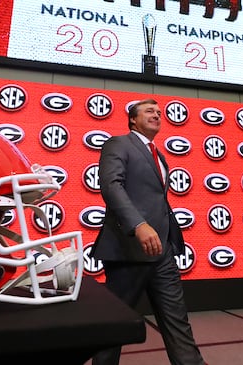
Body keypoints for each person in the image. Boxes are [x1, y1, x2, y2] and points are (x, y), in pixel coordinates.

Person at [91, 99, 206, 365]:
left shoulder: (160, 154)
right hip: (129, 251)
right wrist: (138, 225)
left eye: (159, 112)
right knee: (114, 326)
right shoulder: (118, 144)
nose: (157, 115)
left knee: (178, 322)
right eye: (149, 111)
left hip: (163, 252)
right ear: (132, 119)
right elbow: (111, 186)